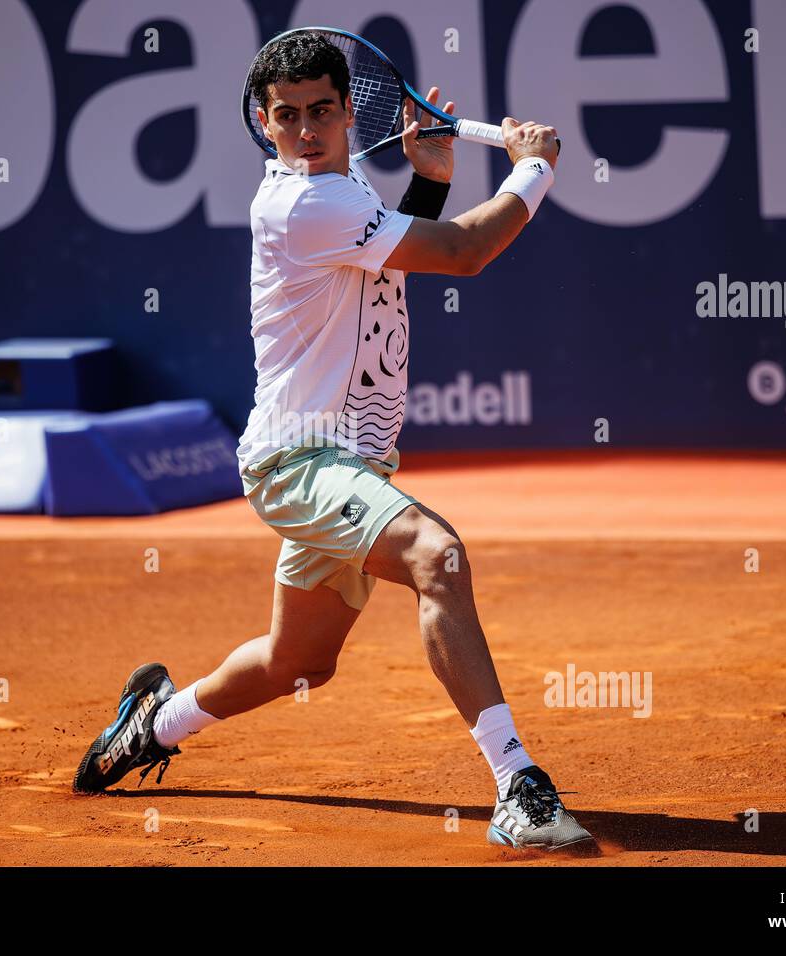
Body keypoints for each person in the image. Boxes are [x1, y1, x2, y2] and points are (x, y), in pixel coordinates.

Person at [74, 30, 593, 853]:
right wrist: (535, 169)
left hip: (352, 462)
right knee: (437, 555)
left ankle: (154, 722)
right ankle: (519, 788)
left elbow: (385, 265)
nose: (307, 129)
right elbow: (460, 255)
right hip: (298, 459)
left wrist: (427, 183)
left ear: (350, 111)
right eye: (288, 117)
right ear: (263, 122)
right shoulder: (303, 201)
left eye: (322, 110)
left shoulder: (339, 187)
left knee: (298, 663)